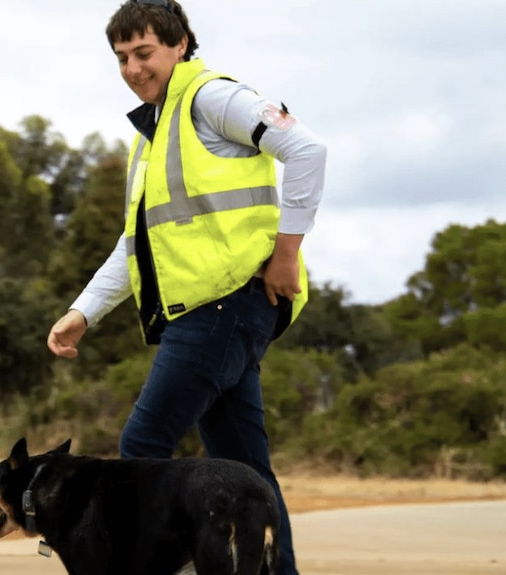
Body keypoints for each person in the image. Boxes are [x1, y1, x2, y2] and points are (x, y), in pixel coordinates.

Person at [46, 1, 326, 573]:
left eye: (143, 52)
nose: (132, 68)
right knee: (246, 469)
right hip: (217, 312)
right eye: (122, 57)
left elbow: (306, 150)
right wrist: (84, 311)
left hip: (223, 307)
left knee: (142, 448)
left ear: (180, 44)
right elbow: (138, 244)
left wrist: (287, 253)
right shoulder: (151, 137)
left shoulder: (210, 98)